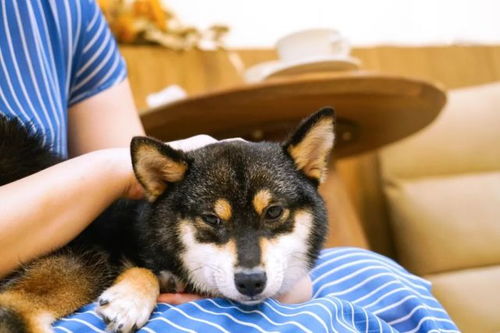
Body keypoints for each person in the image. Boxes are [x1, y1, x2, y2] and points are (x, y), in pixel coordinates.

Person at [0, 1, 458, 332]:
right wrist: (113, 170)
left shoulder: (70, 11)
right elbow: (126, 169)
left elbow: (133, 210)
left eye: (275, 215)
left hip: (89, 248)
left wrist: (289, 279)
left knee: (379, 275)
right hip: (39, 270)